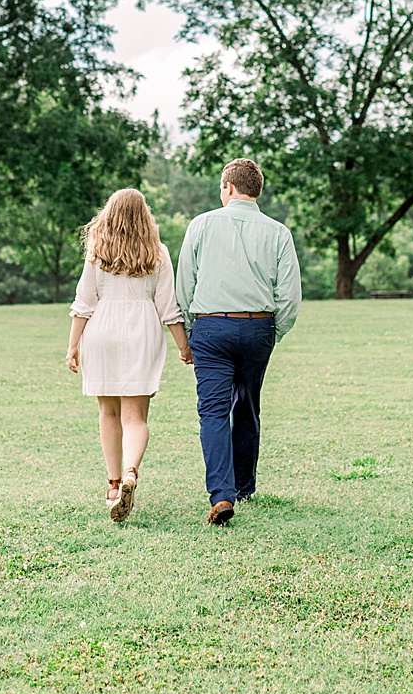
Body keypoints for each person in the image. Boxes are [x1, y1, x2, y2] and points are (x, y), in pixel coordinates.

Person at [174, 157, 301, 526]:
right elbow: (289, 295)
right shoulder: (278, 232)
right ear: (256, 190)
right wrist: (274, 332)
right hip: (259, 327)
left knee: (212, 411)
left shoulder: (200, 225)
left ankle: (222, 494)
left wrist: (188, 332)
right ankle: (244, 486)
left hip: (211, 328)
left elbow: (184, 285)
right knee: (247, 405)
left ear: (228, 187)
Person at [65, 188, 191, 523]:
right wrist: (183, 345)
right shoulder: (158, 252)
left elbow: (84, 301)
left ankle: (113, 484)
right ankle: (131, 471)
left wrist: (73, 344)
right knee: (135, 417)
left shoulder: (97, 249)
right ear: (145, 215)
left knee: (107, 412)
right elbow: (168, 308)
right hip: (142, 331)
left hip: (101, 331)